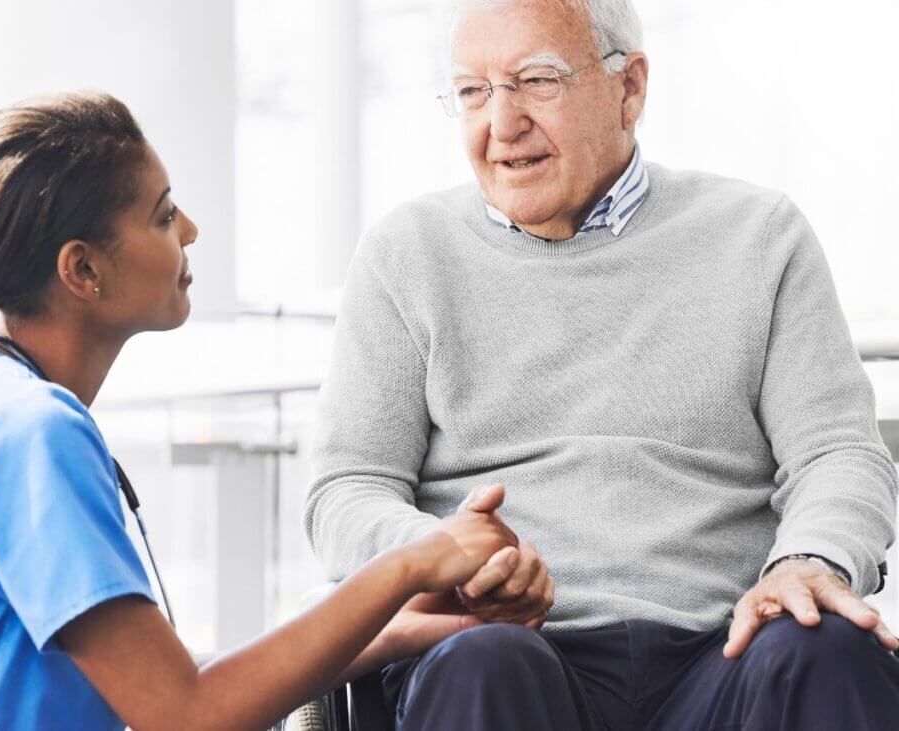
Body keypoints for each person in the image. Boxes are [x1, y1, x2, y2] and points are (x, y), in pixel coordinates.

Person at [303, 0, 899, 727]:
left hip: (725, 650)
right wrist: (443, 552)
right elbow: (346, 489)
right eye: (473, 92)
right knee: (485, 661)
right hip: (509, 647)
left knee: (824, 643)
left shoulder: (759, 236)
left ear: (630, 89)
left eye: (536, 80)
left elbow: (839, 452)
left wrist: (810, 558)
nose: (502, 124)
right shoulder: (406, 255)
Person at [0, 91, 520, 731]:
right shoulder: (24, 433)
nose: (189, 232)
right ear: (82, 269)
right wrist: (411, 561)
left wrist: (391, 631)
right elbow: (185, 714)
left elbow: (161, 681)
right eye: (162, 217)